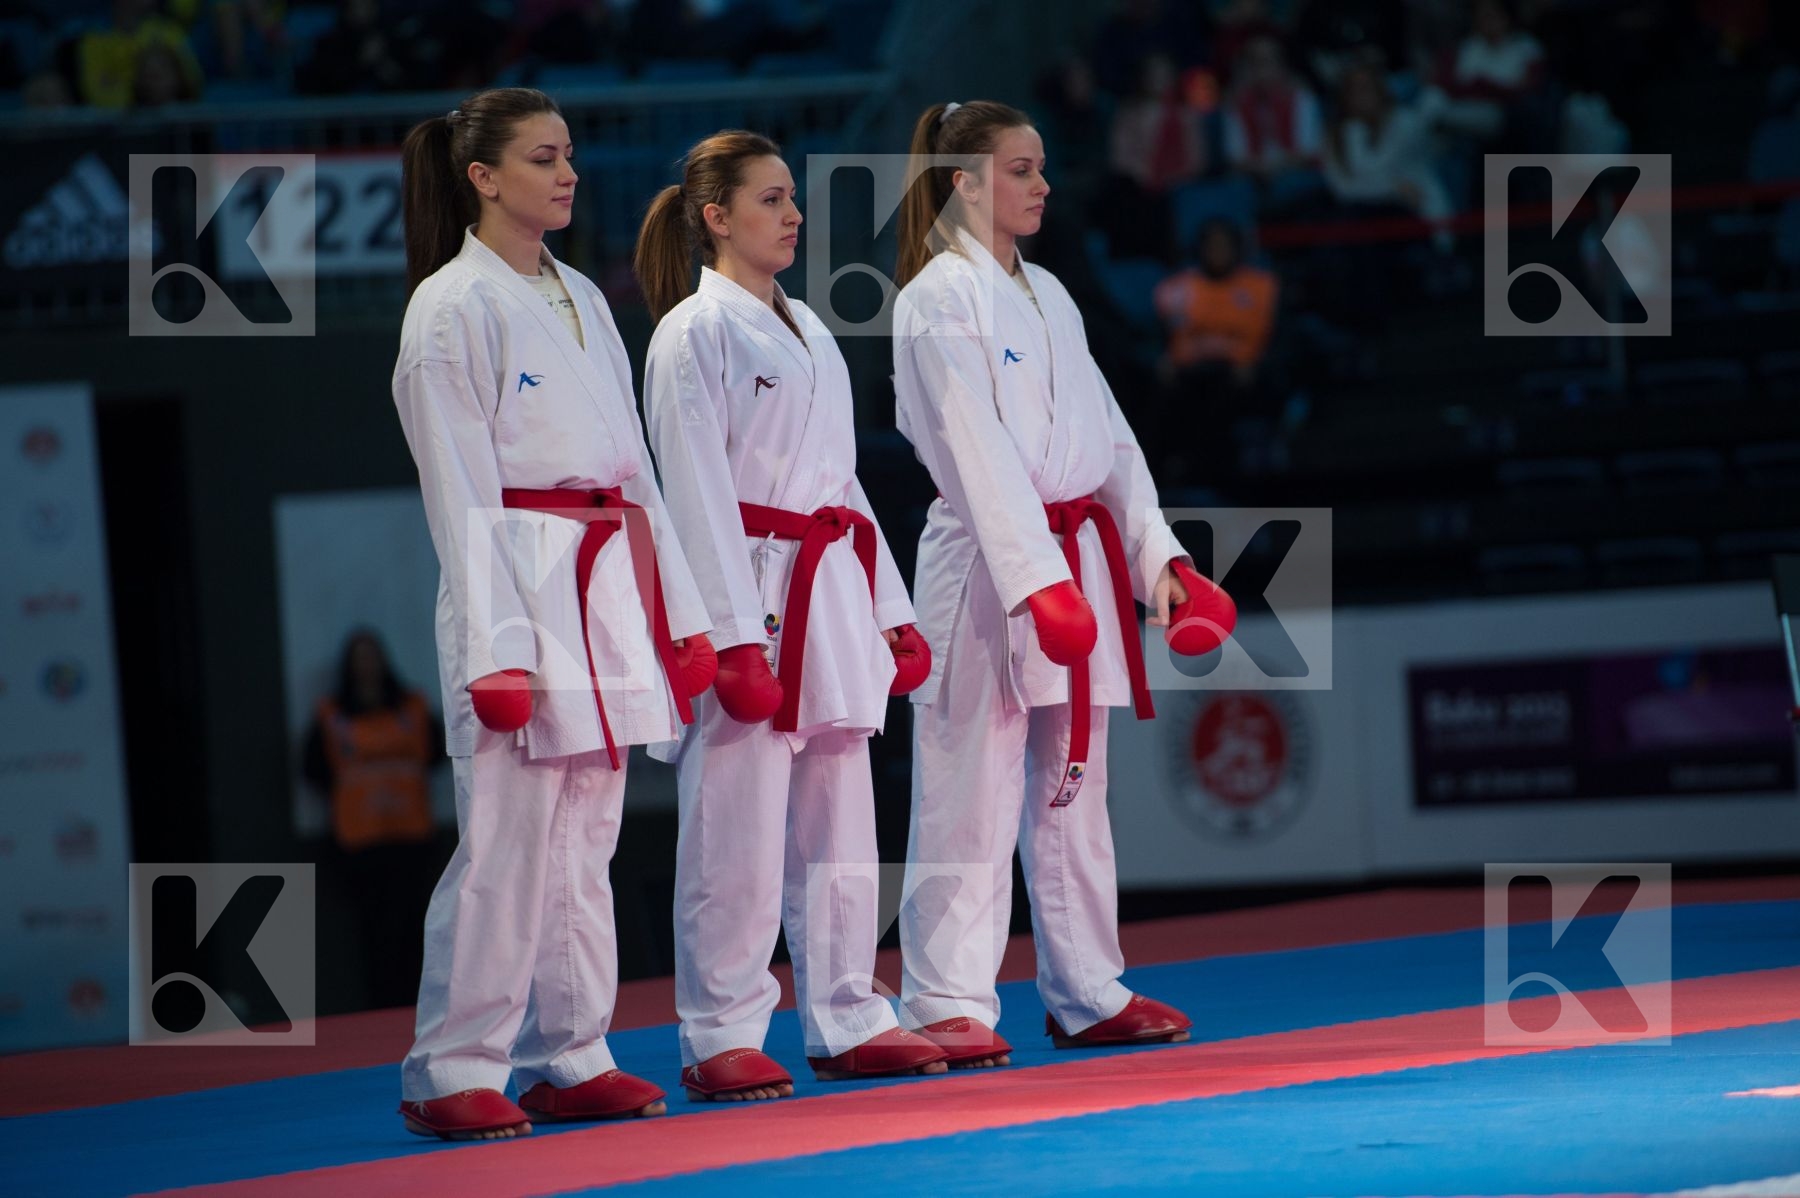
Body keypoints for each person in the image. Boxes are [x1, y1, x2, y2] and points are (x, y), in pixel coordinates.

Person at [391, 86, 717, 1141]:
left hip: (607, 575)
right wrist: (496, 645)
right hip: (519, 580)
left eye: (569, 154)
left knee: (588, 833)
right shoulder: (450, 306)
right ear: (482, 177)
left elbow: (638, 471)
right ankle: (453, 1062)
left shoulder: (580, 291)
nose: (568, 173)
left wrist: (685, 616)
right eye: (543, 158)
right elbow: (458, 489)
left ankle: (570, 1049)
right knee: (508, 839)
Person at [890, 99, 1238, 1069]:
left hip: (1073, 548)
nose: (1044, 186)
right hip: (987, 567)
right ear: (964, 182)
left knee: (1073, 785)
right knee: (969, 780)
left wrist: (1156, 556)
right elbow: (973, 450)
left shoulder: (1049, 291)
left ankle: (1087, 987)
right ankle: (945, 995)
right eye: (1021, 169)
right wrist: (1035, 579)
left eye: (1042, 168)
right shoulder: (934, 297)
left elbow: (1109, 436)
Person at [635, 130, 947, 1102]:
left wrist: (890, 608)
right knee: (734, 825)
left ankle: (847, 1010)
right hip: (749, 598)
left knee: (842, 818)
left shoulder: (807, 327)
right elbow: (688, 492)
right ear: (716, 216)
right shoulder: (693, 331)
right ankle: (720, 1030)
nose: (793, 214)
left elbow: (840, 481)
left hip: (827, 584)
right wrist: (727, 637)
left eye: (792, 199)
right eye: (770, 199)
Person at [300, 629, 445, 1011]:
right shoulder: (333, 716)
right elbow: (312, 768)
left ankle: (422, 1008)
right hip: (362, 845)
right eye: (359, 657)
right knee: (374, 934)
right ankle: (381, 1010)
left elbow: (438, 752)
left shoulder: (411, 708)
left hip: (411, 838)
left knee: (417, 928)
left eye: (372, 655)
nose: (367, 665)